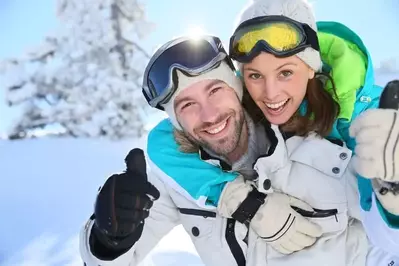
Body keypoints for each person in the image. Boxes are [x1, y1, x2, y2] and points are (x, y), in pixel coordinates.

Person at [80, 38, 398, 266]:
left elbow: (387, 243)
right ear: (175, 122)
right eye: (187, 105)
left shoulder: (318, 148)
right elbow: (107, 262)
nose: (209, 115)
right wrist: (108, 238)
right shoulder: (173, 180)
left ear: (238, 88)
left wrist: (393, 192)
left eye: (216, 90)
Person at [144, 0, 399, 257]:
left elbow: (381, 237)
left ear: (311, 67)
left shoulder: (360, 119)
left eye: (285, 73)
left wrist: (392, 199)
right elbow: (162, 140)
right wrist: (240, 200)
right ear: (242, 80)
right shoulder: (244, 107)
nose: (270, 93)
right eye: (255, 75)